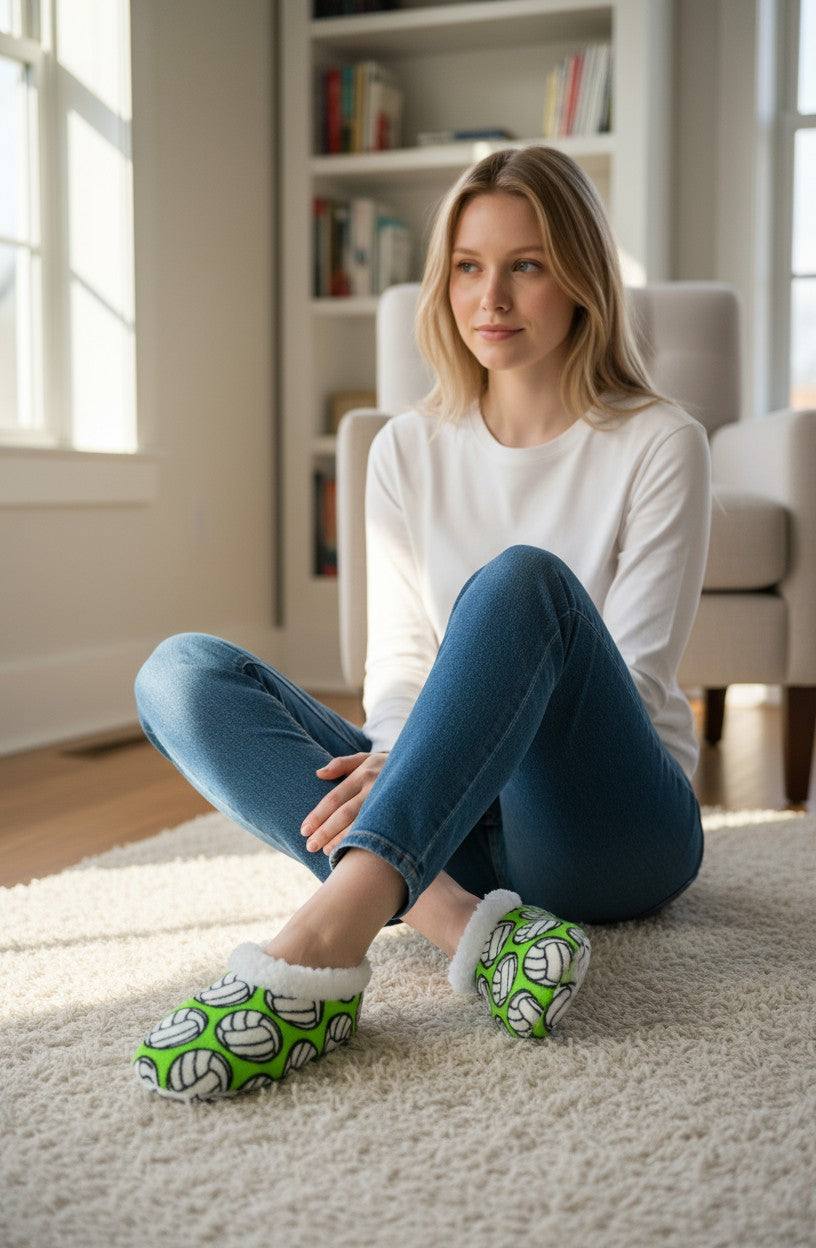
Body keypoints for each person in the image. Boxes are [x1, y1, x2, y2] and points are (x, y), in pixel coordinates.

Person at [131, 145, 711, 1102]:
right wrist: (407, 760)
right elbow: (400, 660)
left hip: (608, 830)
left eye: (526, 265)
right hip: (451, 823)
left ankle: (328, 939)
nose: (492, 298)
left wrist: (423, 771)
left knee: (522, 583)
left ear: (580, 278)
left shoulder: (658, 442)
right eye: (468, 267)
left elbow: (639, 676)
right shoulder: (405, 446)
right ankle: (460, 925)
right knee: (179, 675)